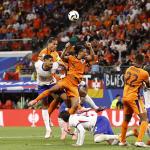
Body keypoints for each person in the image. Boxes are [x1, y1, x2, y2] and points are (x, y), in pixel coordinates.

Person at [28, 42, 95, 115]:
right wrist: (65, 49)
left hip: (74, 85)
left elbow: (93, 57)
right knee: (52, 90)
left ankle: (68, 116)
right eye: (85, 52)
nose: (86, 53)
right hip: (66, 80)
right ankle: (35, 100)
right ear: (80, 52)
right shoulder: (70, 58)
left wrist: (90, 47)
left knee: (72, 104)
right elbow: (62, 58)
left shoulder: (84, 59)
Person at [59, 110, 138, 146]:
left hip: (99, 121)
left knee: (97, 139)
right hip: (100, 121)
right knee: (113, 143)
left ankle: (118, 136)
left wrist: (79, 144)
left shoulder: (72, 120)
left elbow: (82, 131)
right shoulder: (72, 118)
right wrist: (77, 143)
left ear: (64, 118)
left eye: (60, 119)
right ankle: (131, 133)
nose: (60, 121)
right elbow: (79, 131)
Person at [119, 54, 150, 147]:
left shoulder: (128, 69)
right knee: (144, 119)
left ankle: (122, 141)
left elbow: (125, 81)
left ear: (135, 60)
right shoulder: (144, 73)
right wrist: (143, 84)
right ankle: (139, 141)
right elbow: (148, 85)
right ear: (142, 61)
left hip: (125, 96)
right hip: (134, 97)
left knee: (126, 119)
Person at [143, 65, 150, 145]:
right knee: (146, 124)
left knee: (146, 124)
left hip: (147, 106)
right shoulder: (145, 80)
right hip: (148, 106)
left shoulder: (144, 81)